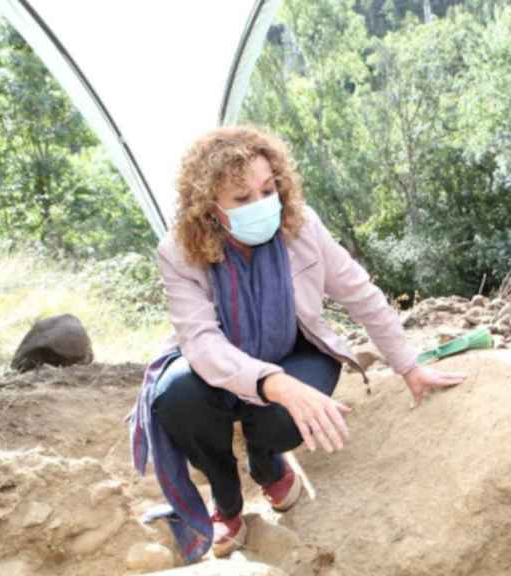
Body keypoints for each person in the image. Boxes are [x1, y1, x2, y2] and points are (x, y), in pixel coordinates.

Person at [129, 126, 465, 561]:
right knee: (175, 397)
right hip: (221, 363)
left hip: (295, 348)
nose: (261, 205)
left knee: (282, 419)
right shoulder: (178, 251)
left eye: (268, 190)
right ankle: (227, 504)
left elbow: (359, 292)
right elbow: (202, 342)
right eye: (242, 199)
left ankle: (268, 464)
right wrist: (275, 383)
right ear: (210, 205)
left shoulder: (302, 227)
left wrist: (409, 365)